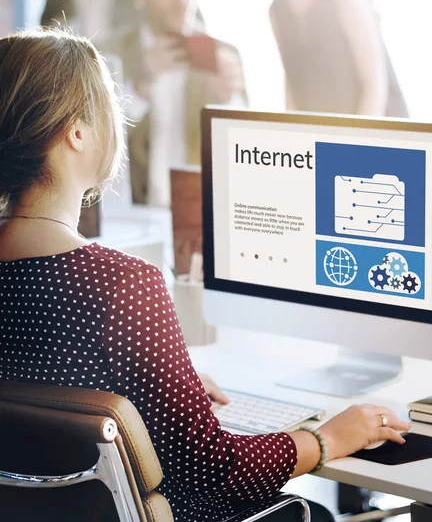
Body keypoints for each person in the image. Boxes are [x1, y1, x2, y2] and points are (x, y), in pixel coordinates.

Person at [0, 29, 410, 522]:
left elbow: (42, 381)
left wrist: (162, 382)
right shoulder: (121, 286)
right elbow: (213, 471)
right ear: (77, 132)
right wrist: (327, 439)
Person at [100, 0, 247, 207]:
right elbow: (98, 140)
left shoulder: (224, 54)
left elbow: (244, 151)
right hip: (131, 210)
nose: (182, 0)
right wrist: (139, 86)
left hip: (200, 207)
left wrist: (226, 100)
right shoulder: (108, 53)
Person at [270, 0, 409, 118]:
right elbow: (293, 79)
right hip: (328, 128)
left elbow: (375, 83)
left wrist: (356, 139)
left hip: (377, 122)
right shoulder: (277, 10)